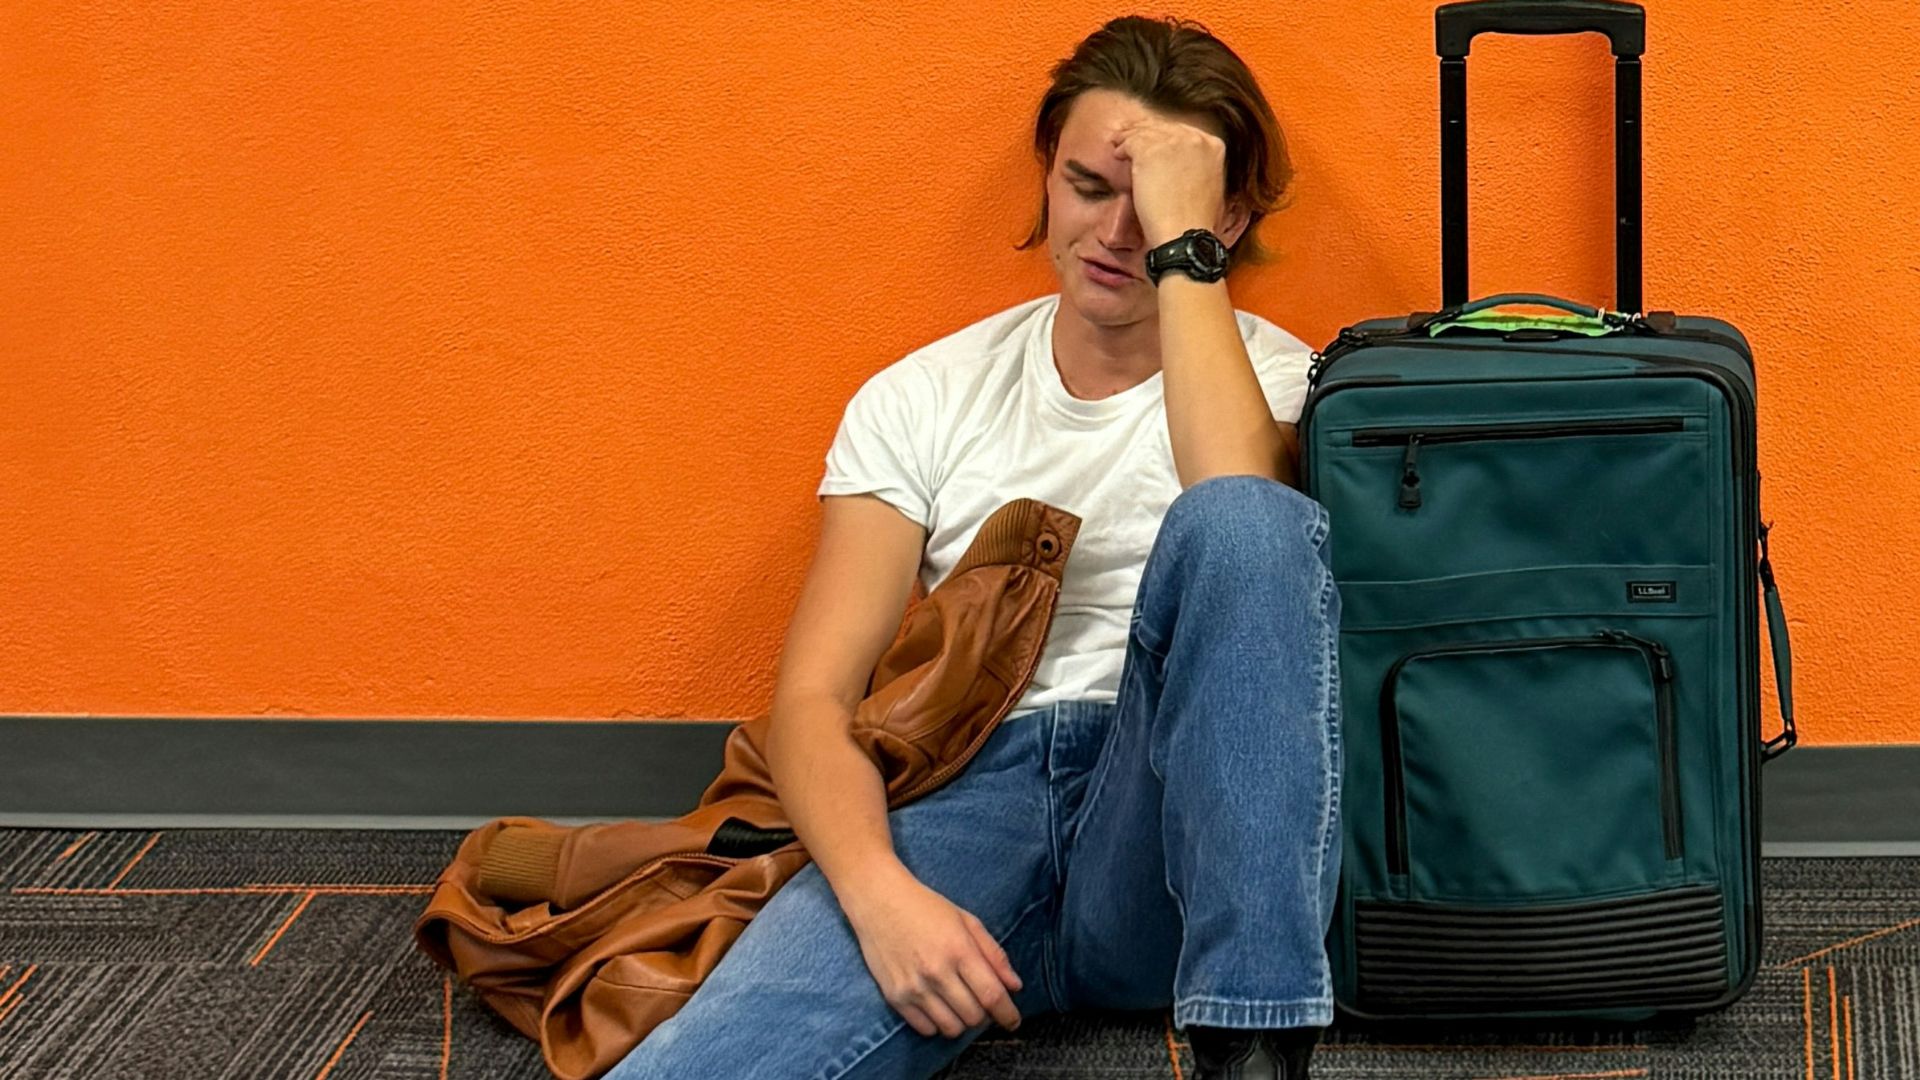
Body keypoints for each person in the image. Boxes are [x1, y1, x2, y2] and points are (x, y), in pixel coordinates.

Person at [607, 15, 1340, 1080]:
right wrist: (880, 897)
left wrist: (1193, 260)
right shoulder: (924, 397)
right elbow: (814, 698)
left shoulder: (1283, 382)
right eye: (1091, 185)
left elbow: (1236, 507)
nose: (1118, 232)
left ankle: (1259, 1042)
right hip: (971, 792)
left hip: (1182, 822)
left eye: (1160, 208)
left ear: (1224, 219)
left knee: (1249, 521)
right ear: (1048, 178)